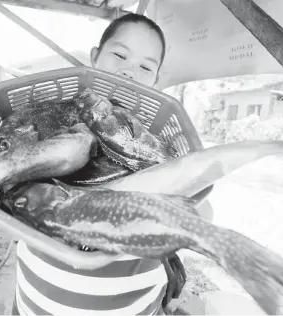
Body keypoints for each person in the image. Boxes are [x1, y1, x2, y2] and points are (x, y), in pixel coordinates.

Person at [12, 13, 208, 316]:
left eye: (145, 67)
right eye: (119, 54)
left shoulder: (156, 139)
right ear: (94, 57)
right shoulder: (56, 118)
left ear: (156, 80)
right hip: (40, 298)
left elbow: (191, 200)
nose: (129, 72)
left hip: (132, 303)